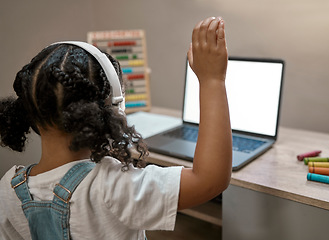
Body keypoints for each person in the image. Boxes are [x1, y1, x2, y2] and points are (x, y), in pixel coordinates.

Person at [0, 16, 232, 239]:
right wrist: (212, 80)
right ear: (112, 111)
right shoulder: (113, 188)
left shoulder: (9, 189)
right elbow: (210, 180)